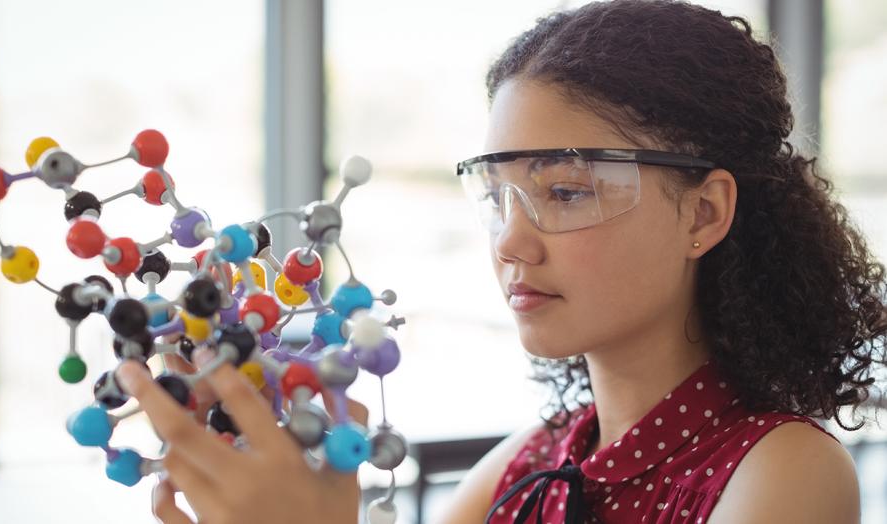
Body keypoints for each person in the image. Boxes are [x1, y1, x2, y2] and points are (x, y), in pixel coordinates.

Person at [116, 1, 887, 522]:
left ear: (706, 212)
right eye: (497, 197)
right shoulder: (537, 455)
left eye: (567, 191)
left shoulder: (784, 472)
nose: (511, 243)